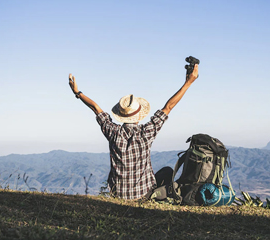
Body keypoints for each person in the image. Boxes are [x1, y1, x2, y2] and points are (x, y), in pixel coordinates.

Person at [68, 64, 199, 199]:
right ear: (139, 114)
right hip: (144, 194)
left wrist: (77, 92)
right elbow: (169, 107)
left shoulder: (112, 131)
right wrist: (188, 83)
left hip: (117, 194)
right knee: (167, 172)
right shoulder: (147, 132)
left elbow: (95, 108)